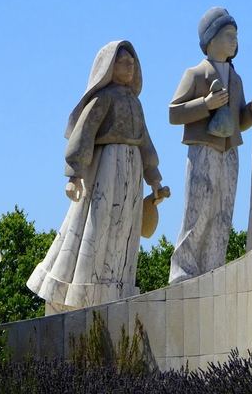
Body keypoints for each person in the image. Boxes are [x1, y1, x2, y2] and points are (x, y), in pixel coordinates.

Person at [27, 40, 168, 313]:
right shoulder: (102, 99)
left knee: (124, 234)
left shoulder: (136, 104)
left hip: (132, 171)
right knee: (97, 227)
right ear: (108, 67)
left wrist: (155, 180)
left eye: (132, 63)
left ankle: (117, 286)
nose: (130, 67)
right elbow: (84, 134)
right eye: (123, 62)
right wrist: (74, 173)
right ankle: (84, 288)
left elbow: (145, 143)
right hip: (105, 167)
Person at [168, 8, 252, 284]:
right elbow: (174, 113)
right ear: (211, 39)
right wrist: (206, 105)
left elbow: (238, 120)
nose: (234, 40)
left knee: (223, 212)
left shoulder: (236, 78)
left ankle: (213, 268)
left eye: (236, 35)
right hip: (203, 149)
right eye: (228, 34)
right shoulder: (196, 73)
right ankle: (184, 270)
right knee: (198, 210)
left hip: (230, 151)